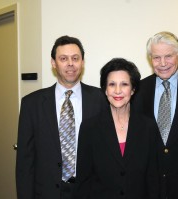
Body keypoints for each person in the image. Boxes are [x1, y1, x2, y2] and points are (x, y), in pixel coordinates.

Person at [16, 35, 107, 199]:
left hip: (90, 191)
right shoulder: (31, 104)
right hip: (46, 192)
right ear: (53, 63)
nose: (70, 64)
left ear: (83, 62)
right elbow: (25, 161)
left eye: (75, 58)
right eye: (63, 58)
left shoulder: (101, 99)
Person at [74, 58, 159, 199]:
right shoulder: (90, 127)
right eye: (112, 84)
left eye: (124, 84)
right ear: (105, 90)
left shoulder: (148, 127)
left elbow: (153, 179)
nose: (118, 91)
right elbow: (83, 180)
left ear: (132, 90)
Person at [133, 31, 178, 199]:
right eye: (156, 57)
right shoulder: (139, 90)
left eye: (168, 56)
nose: (162, 63)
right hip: (150, 184)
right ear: (150, 59)